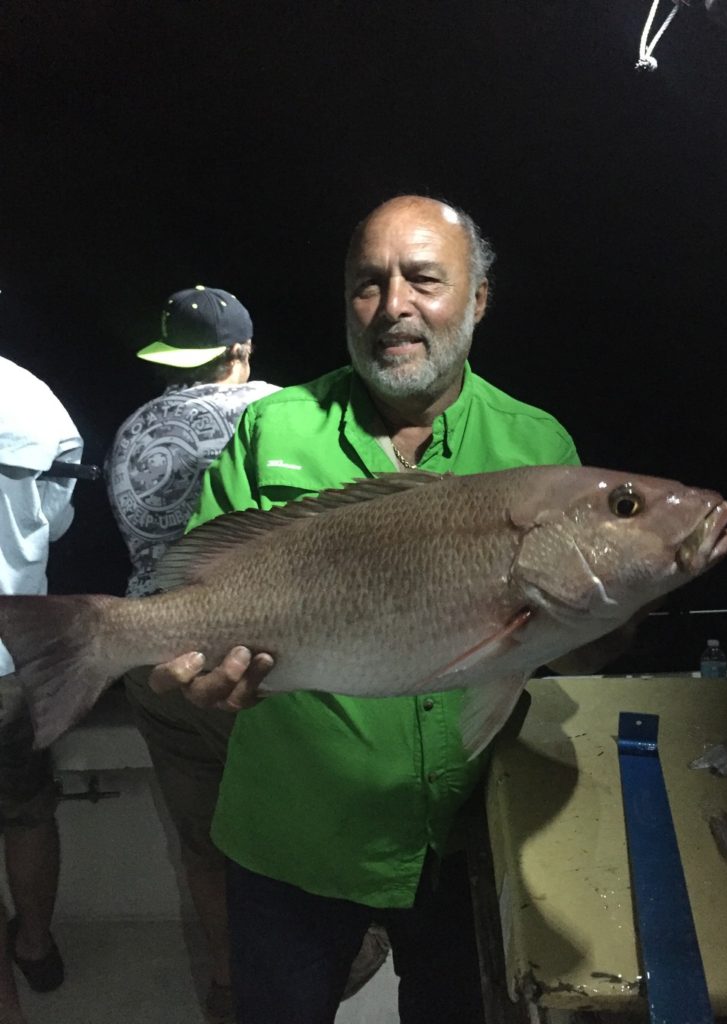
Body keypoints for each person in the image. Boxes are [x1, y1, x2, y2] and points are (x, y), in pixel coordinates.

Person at [150, 195, 617, 1024]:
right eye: (369, 284)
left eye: (424, 280)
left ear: (476, 301)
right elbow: (193, 596)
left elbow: (569, 651)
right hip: (289, 841)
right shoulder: (272, 427)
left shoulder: (537, 446)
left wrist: (626, 596)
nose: (393, 304)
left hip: (463, 842)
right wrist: (195, 674)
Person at [104, 286, 280, 1024]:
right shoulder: (276, 412)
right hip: (234, 665)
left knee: (204, 843)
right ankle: (311, 976)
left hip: (148, 664)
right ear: (240, 351)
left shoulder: (131, 427)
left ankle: (225, 985)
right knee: (279, 842)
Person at [0, 356, 83, 1024]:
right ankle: (35, 944)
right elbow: (55, 521)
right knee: (27, 811)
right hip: (15, 655)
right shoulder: (32, 396)